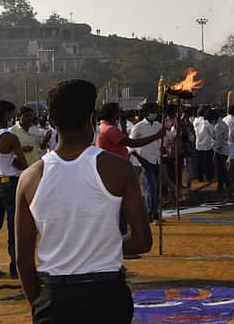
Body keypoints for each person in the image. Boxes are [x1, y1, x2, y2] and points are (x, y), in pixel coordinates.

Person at [16, 79, 152, 324]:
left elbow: (22, 259)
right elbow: (142, 241)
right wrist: (100, 248)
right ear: (92, 118)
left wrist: (39, 303)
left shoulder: (29, 178)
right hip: (105, 294)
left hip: (53, 296)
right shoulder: (118, 169)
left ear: (51, 121)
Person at [95, 102, 164, 235]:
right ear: (114, 113)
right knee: (122, 206)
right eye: (119, 111)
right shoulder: (109, 129)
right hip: (114, 172)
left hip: (116, 169)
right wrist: (156, 136)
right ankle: (122, 238)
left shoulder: (109, 127)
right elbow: (131, 143)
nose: (122, 113)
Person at [0, 100, 28, 279]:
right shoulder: (9, 136)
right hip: (10, 181)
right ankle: (14, 267)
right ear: (7, 114)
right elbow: (23, 163)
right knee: (13, 226)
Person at [131, 103, 164, 223]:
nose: (154, 113)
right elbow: (130, 146)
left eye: (155, 110)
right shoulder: (138, 127)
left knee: (153, 187)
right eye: (152, 111)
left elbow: (166, 139)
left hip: (156, 159)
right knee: (150, 187)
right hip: (144, 160)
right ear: (146, 112)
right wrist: (140, 159)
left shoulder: (158, 125)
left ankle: (150, 211)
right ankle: (152, 214)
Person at [193, 108, 214, 182]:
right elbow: (212, 133)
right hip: (207, 145)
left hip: (198, 144)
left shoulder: (195, 121)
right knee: (207, 162)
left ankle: (200, 177)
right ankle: (209, 177)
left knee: (199, 162)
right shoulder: (207, 123)